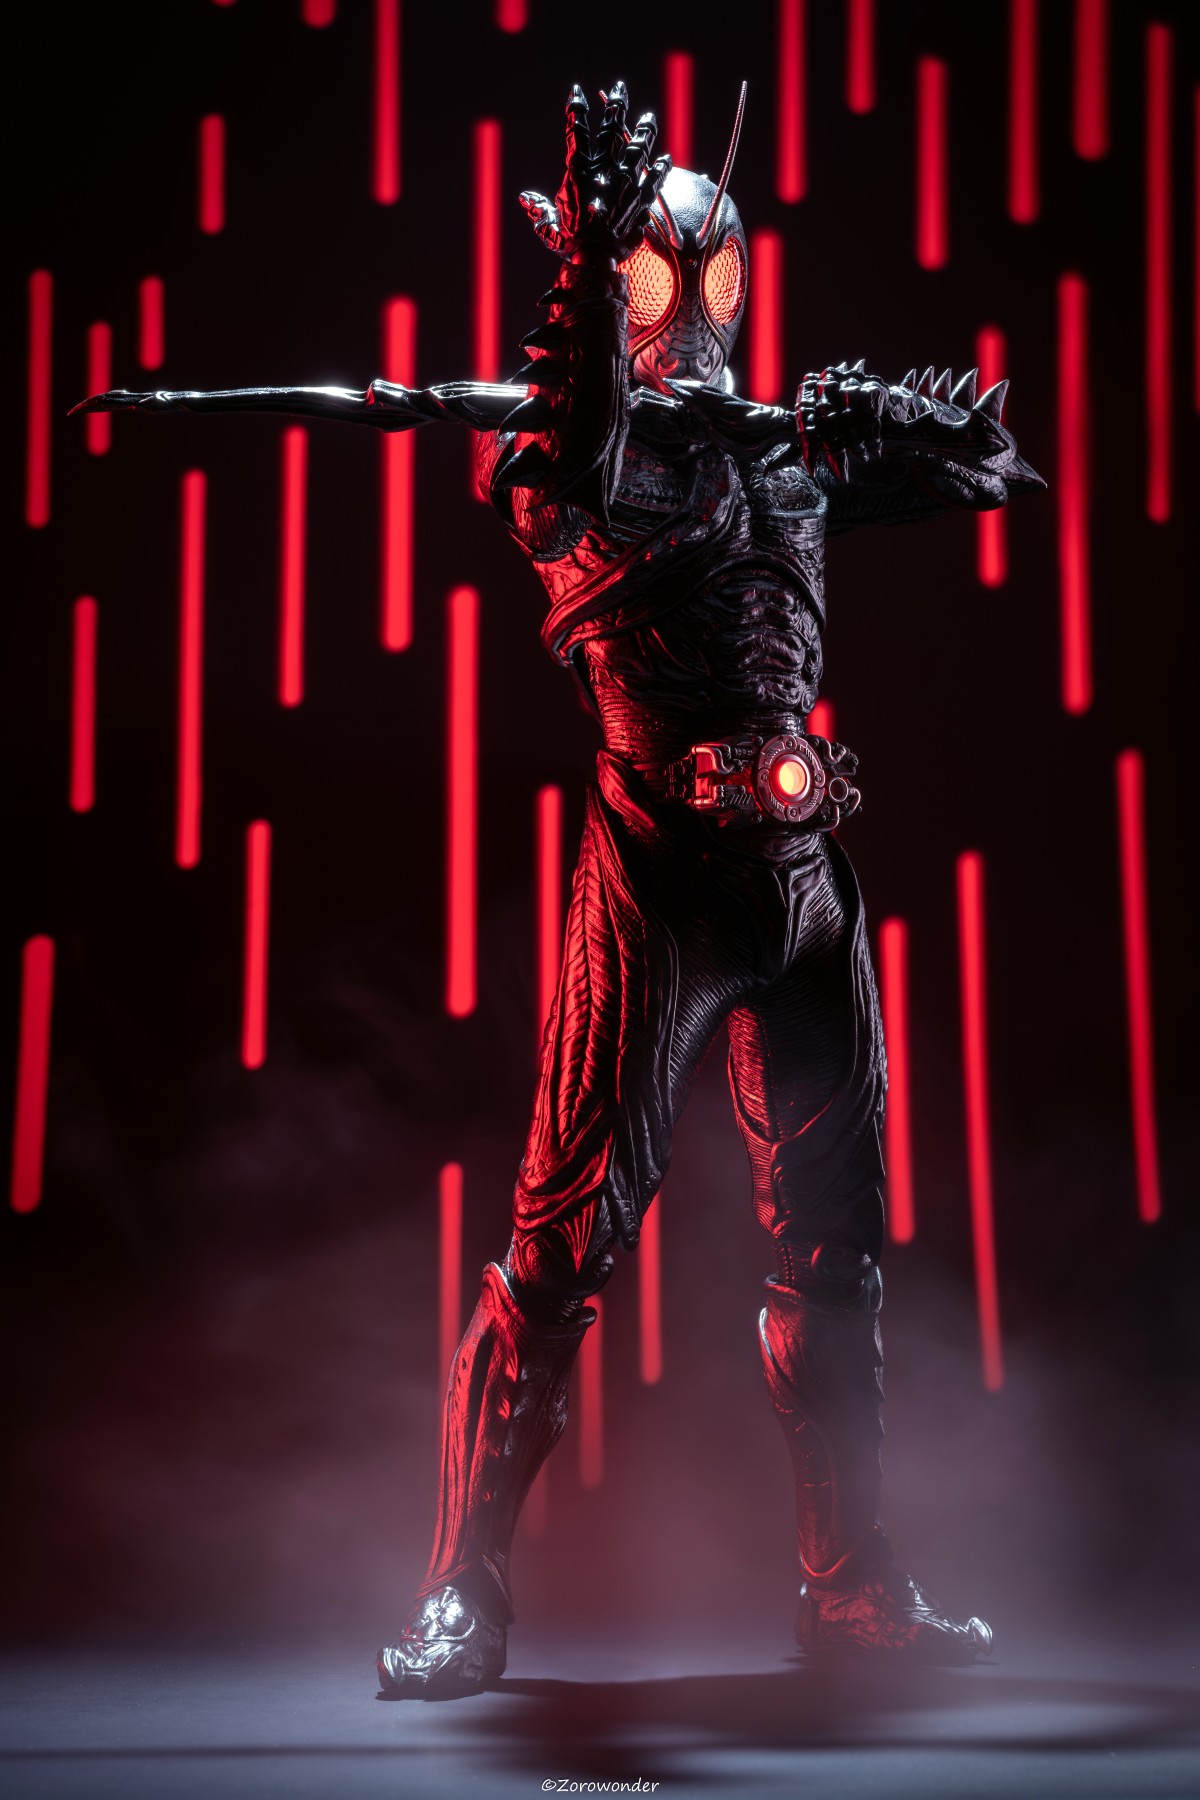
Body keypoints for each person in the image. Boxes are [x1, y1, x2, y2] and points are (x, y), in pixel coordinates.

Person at [76, 79, 1044, 1697]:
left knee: (839, 1253)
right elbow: (560, 436)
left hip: (806, 878)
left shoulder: (787, 455)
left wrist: (909, 422)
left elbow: (1003, 470)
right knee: (561, 1247)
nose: (696, 308)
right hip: (656, 874)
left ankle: (853, 1589)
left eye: (712, 273)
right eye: (662, 273)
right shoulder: (555, 453)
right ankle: (460, 1591)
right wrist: (587, 272)